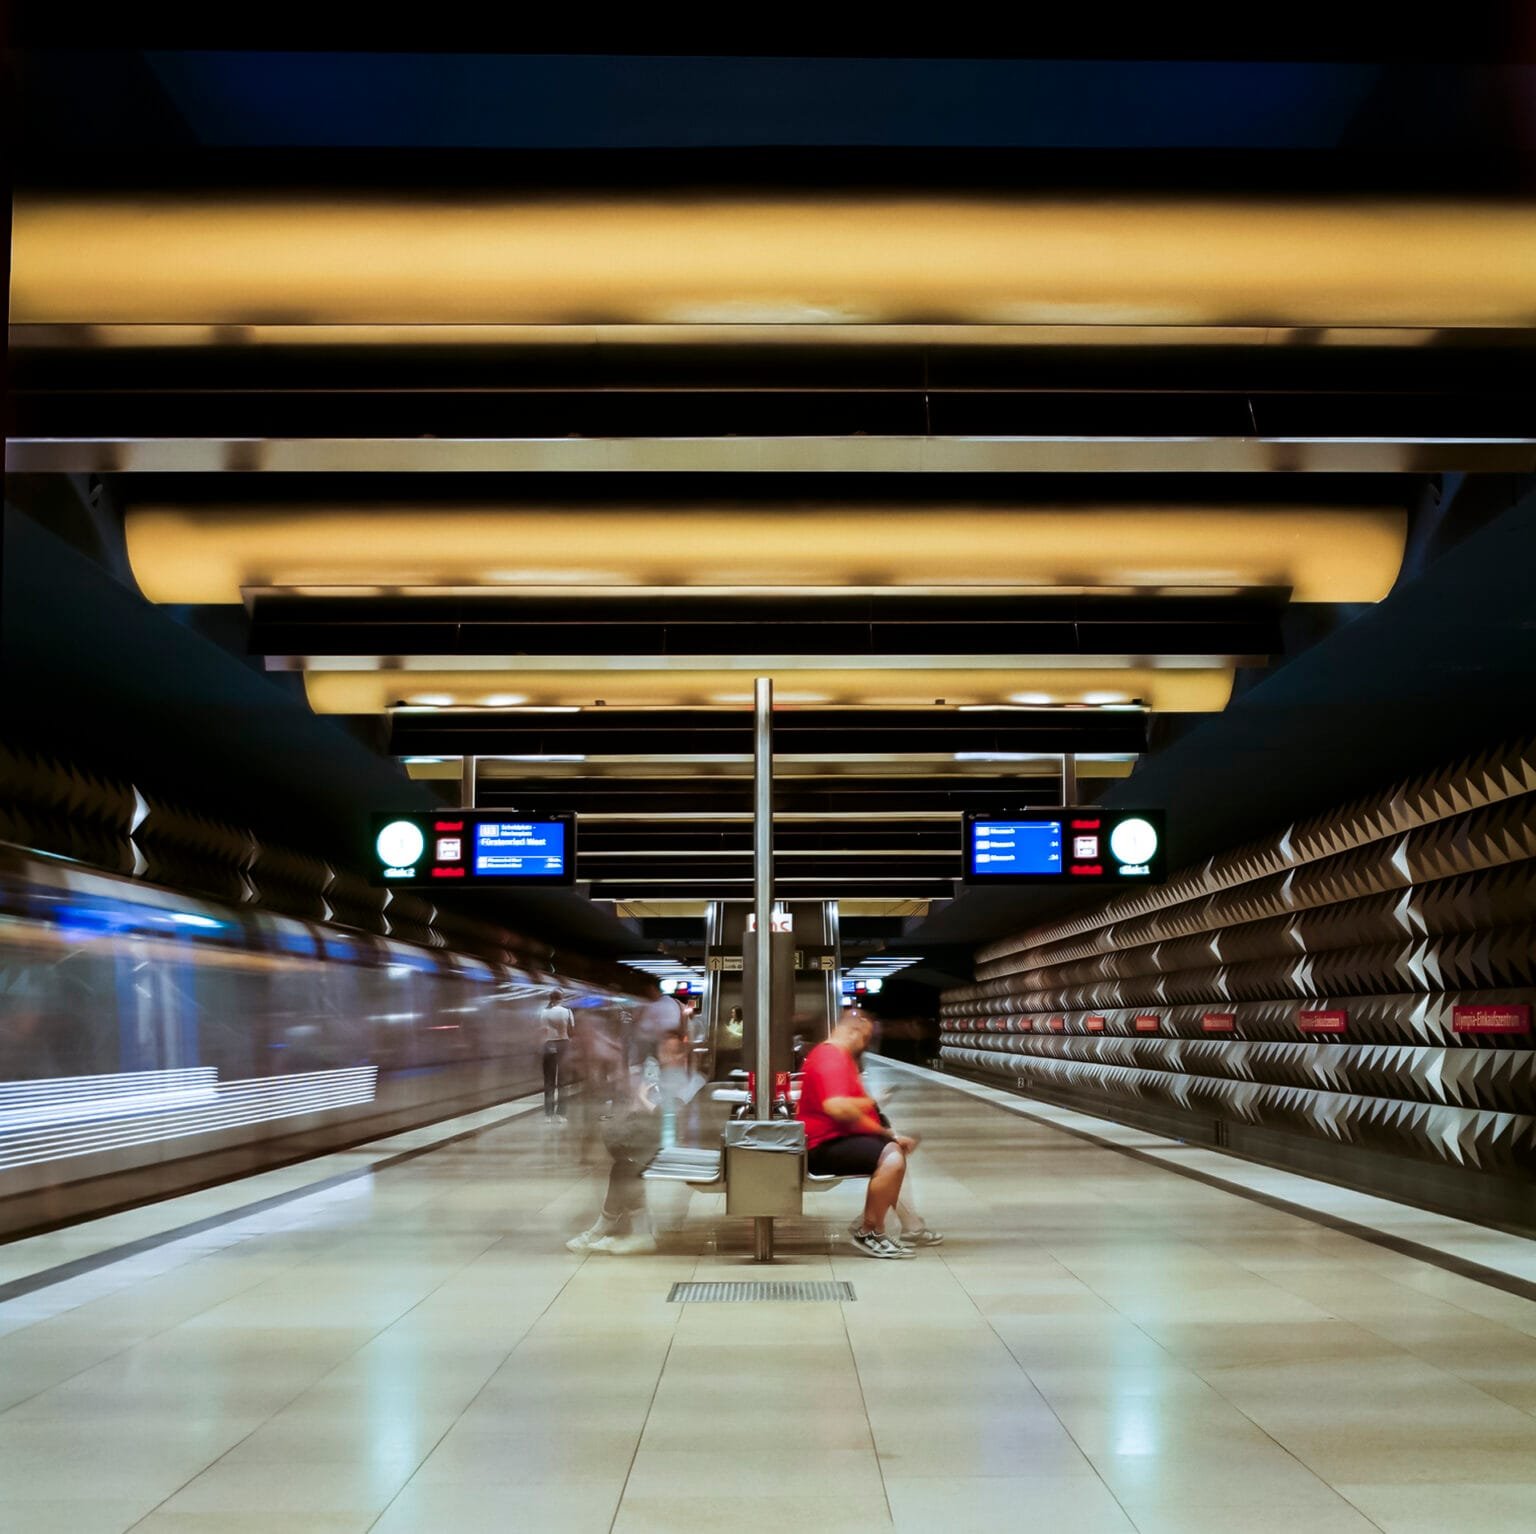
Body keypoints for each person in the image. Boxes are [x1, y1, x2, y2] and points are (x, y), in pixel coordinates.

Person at [796, 1010, 917, 1259]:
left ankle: (878, 1224)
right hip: (821, 1146)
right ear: (854, 1031)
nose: (864, 1044)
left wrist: (885, 1134)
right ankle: (869, 1231)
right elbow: (837, 1107)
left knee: (893, 1152)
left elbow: (851, 1113)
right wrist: (872, 1102)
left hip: (834, 1138)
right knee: (891, 1159)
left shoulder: (839, 1057)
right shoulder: (830, 1058)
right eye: (865, 1038)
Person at [566, 1058, 662, 1256]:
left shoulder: (680, 1083)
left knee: (626, 1167)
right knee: (625, 1165)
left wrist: (642, 1098)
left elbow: (670, 1117)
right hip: (652, 1141)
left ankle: (603, 1229)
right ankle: (635, 1231)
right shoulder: (649, 1088)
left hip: (667, 1143)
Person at [539, 987, 574, 1122]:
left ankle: (548, 1115)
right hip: (564, 1045)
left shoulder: (543, 1012)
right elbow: (571, 1031)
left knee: (549, 1081)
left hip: (548, 1045)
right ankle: (561, 1114)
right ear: (562, 998)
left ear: (551, 998)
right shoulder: (567, 1011)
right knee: (563, 1081)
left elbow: (542, 1031)